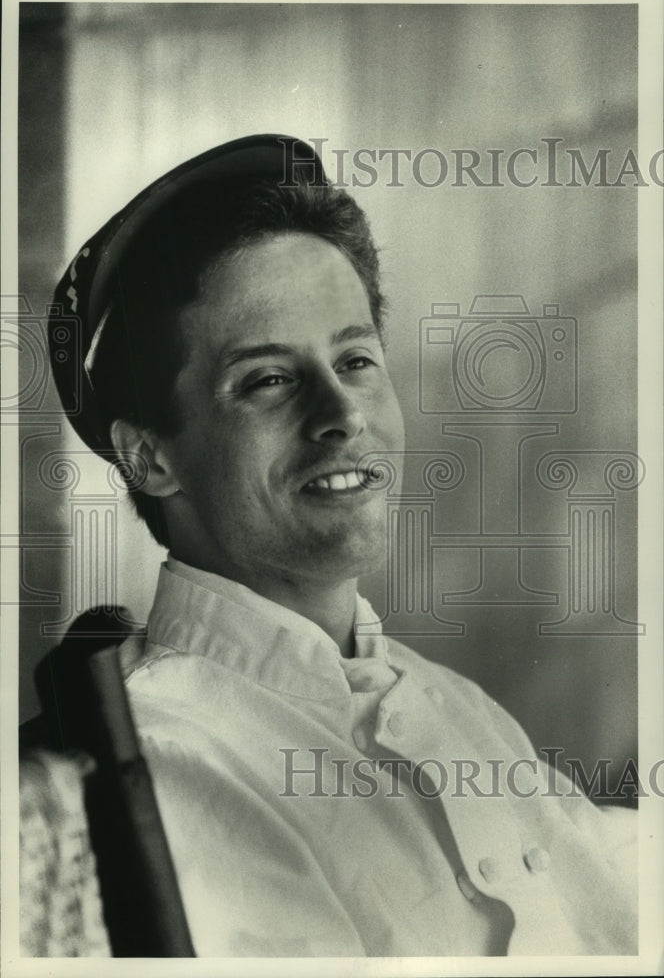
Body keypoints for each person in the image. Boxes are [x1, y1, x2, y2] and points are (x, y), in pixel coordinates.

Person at [45, 134, 636, 957]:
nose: (344, 414)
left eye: (355, 358)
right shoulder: (169, 765)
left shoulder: (454, 705)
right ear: (152, 456)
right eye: (268, 380)